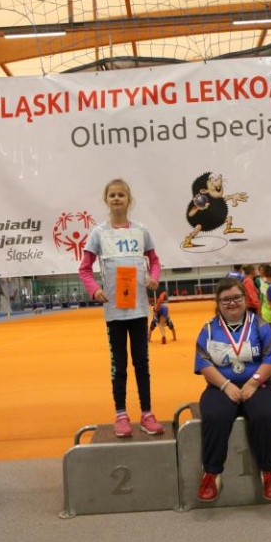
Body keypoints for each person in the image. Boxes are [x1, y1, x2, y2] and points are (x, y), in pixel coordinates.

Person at [79, 178, 164, 437]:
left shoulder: (141, 230)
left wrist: (154, 278)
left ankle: (147, 413)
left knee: (142, 363)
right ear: (106, 200)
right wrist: (95, 290)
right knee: (119, 365)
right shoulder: (99, 233)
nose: (116, 199)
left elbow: (155, 261)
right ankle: (121, 415)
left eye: (121, 195)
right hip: (114, 311)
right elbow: (84, 269)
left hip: (138, 309)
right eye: (112, 195)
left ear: (129, 200)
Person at [195, 277, 271, 503]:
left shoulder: (261, 326)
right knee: (215, 416)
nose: (232, 303)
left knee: (265, 415)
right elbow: (204, 364)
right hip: (220, 387)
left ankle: (270, 472)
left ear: (245, 299)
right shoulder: (208, 329)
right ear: (218, 303)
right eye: (226, 299)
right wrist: (226, 386)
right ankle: (212, 474)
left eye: (236, 297)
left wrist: (253, 383)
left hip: (260, 385)